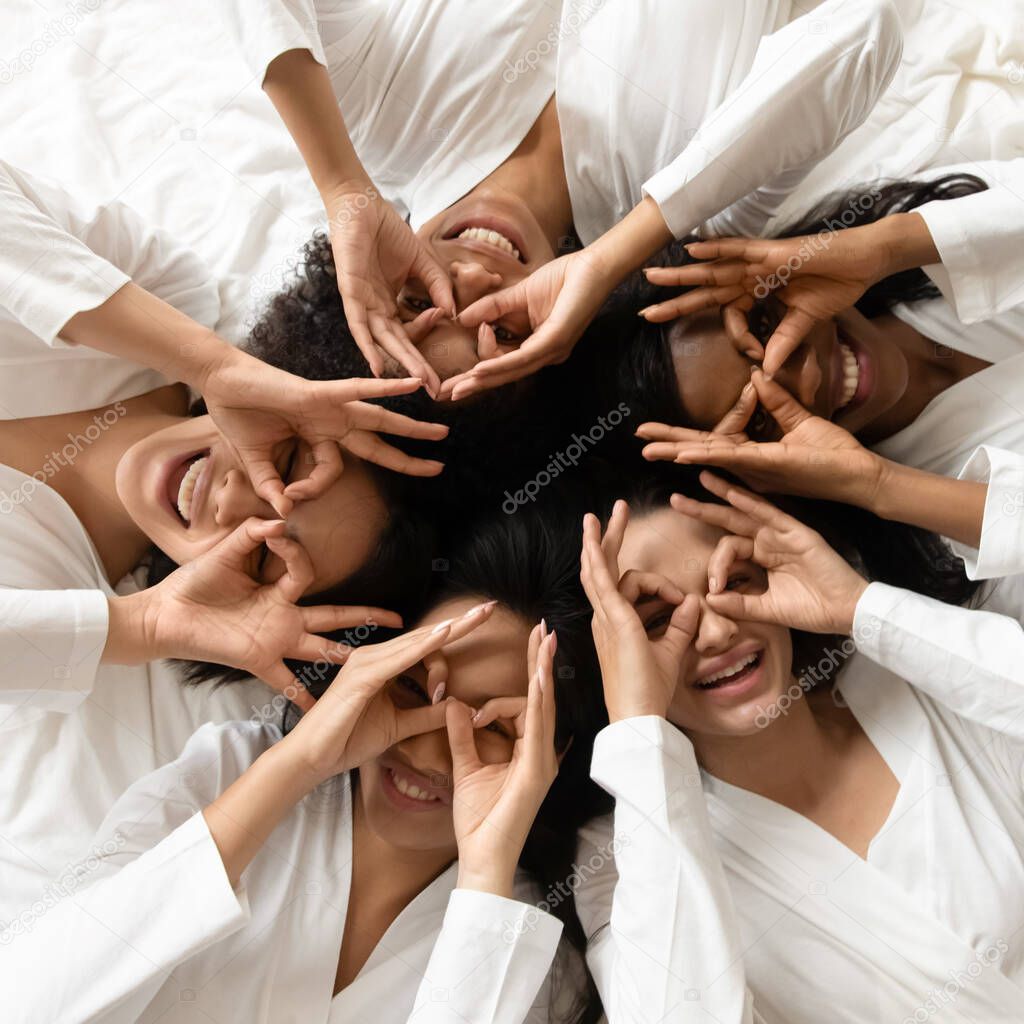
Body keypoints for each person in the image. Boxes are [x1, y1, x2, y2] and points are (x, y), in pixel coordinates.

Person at [0, 160, 444, 919]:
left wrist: (139, 628)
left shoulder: (50, 603)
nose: (237, 497)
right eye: (291, 462)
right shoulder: (165, 307)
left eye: (267, 554)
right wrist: (209, 363)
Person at [3, 509, 611, 1024]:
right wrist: (298, 763)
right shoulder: (234, 771)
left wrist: (485, 871)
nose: (429, 750)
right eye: (408, 684)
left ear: (552, 757)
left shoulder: (532, 958)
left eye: (494, 729)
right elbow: (27, 1000)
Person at [215, 0, 902, 396]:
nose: (478, 277)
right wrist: (612, 259)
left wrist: (342, 188)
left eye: (420, 299)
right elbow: (867, 32)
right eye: (504, 325)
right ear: (551, 342)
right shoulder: (699, 205)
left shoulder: (377, 112)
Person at [575, 467, 1024, 1022]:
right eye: (659, 621)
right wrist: (637, 725)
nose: (716, 633)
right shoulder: (621, 858)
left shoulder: (917, 681)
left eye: (737, 581)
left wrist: (862, 608)